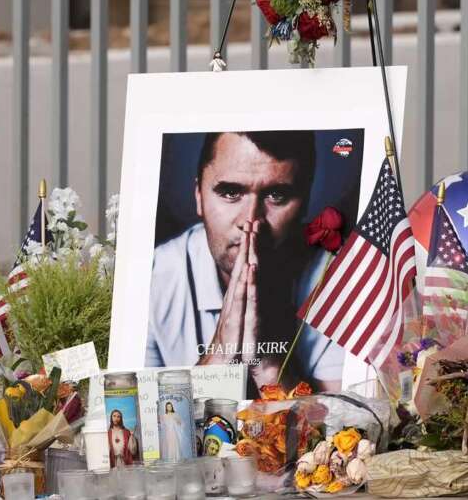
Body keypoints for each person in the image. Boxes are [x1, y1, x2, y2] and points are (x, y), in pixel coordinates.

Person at [147, 131, 344, 396]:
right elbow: (145, 425)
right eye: (230, 192)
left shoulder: (343, 284)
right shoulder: (154, 278)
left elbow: (344, 428)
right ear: (198, 196)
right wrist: (217, 357)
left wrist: (269, 366)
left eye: (276, 195)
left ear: (306, 200)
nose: (251, 220)